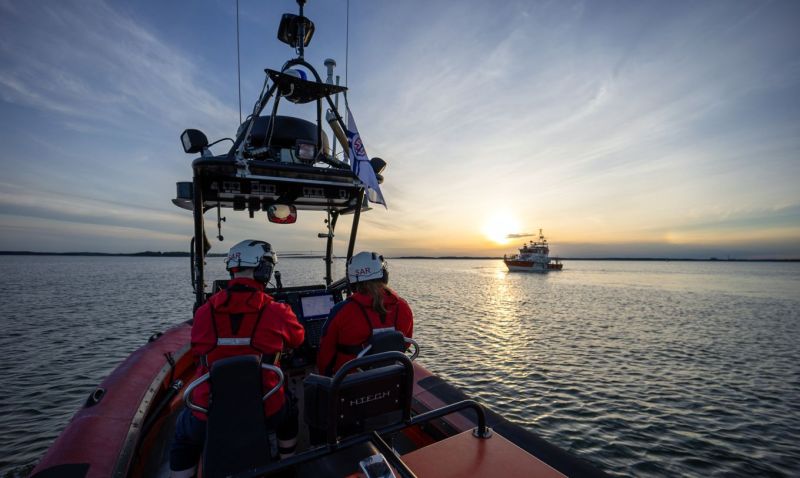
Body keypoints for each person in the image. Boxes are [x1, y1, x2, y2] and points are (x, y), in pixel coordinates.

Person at [170, 240, 305, 478]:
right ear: (264, 269)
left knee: (183, 435)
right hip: (266, 408)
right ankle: (286, 467)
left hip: (209, 412)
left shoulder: (204, 312)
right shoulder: (277, 311)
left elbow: (198, 354)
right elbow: (298, 339)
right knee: (289, 410)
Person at [317, 251, 414, 376]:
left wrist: (325, 378)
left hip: (350, 381)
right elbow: (405, 343)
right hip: (391, 377)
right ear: (384, 276)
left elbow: (325, 354)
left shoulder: (341, 311)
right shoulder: (403, 306)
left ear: (351, 281)